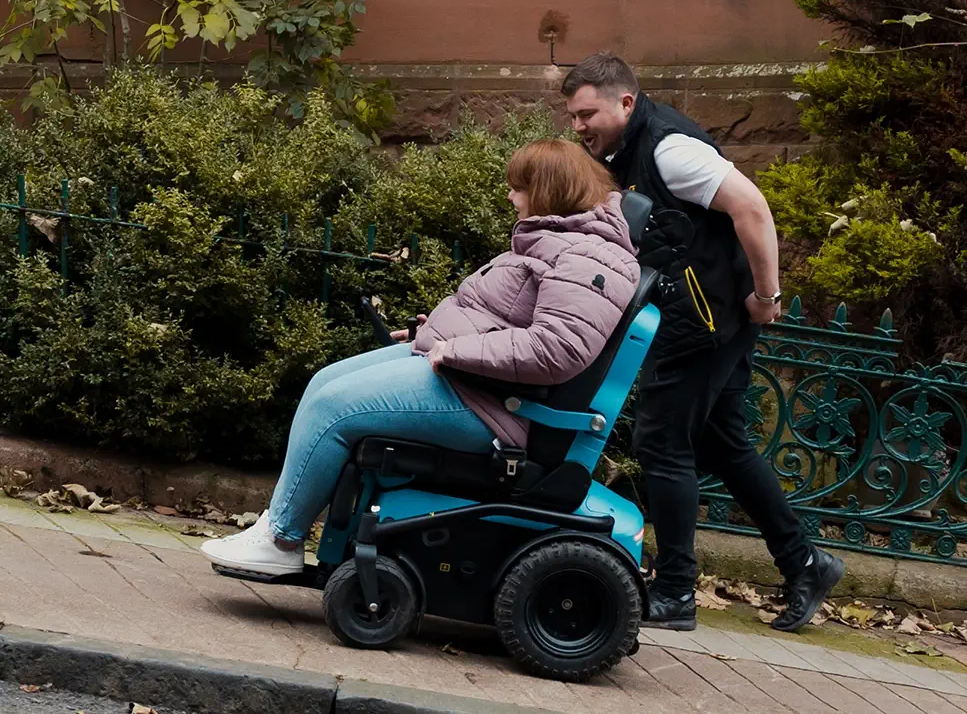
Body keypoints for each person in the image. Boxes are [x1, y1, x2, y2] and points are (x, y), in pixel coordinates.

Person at [200, 139, 640, 577]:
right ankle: (278, 527)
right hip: (471, 379)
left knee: (332, 409)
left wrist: (457, 349)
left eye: (518, 186)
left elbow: (556, 349)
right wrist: (433, 332)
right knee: (323, 383)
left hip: (496, 407)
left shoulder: (587, 257)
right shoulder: (560, 240)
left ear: (548, 189)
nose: (509, 195)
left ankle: (282, 539)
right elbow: (505, 317)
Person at [561, 54, 845, 633]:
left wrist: (767, 296)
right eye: (572, 116)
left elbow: (753, 208)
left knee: (662, 441)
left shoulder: (669, 149)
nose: (578, 127)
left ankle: (674, 594)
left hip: (707, 317)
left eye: (586, 114)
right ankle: (805, 564)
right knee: (720, 443)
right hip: (703, 314)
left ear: (626, 103)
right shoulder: (628, 149)